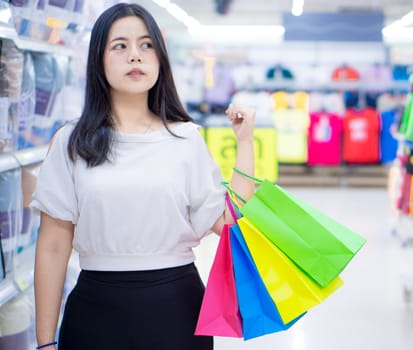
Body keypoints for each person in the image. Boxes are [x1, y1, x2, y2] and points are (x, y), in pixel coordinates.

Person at [31, 3, 255, 350]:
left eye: (146, 45)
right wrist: (45, 342)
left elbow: (231, 223)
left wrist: (245, 144)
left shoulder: (186, 139)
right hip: (94, 312)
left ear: (159, 58)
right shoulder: (70, 142)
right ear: (98, 59)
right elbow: (53, 246)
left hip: (177, 310)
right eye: (120, 45)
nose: (135, 56)